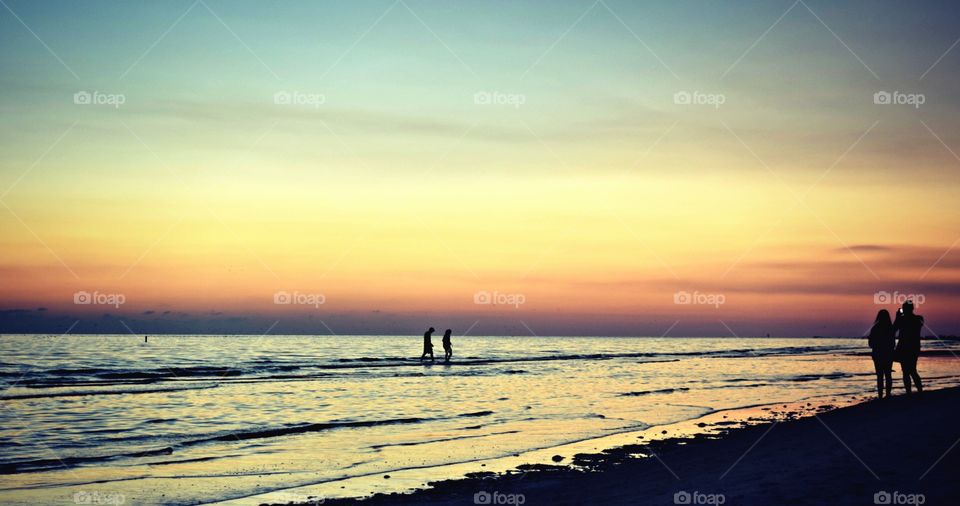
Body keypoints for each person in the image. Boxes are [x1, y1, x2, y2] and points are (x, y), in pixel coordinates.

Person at [894, 301, 924, 395]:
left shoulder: (907, 319)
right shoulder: (918, 319)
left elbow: (893, 329)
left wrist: (898, 317)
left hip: (906, 347)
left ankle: (911, 392)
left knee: (908, 371)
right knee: (911, 370)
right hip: (913, 348)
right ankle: (917, 391)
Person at [867, 309, 895, 399]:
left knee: (879, 375)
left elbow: (870, 343)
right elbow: (893, 343)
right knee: (888, 374)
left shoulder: (875, 328)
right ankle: (887, 395)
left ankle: (880, 395)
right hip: (888, 354)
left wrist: (877, 345)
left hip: (877, 353)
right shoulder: (890, 328)